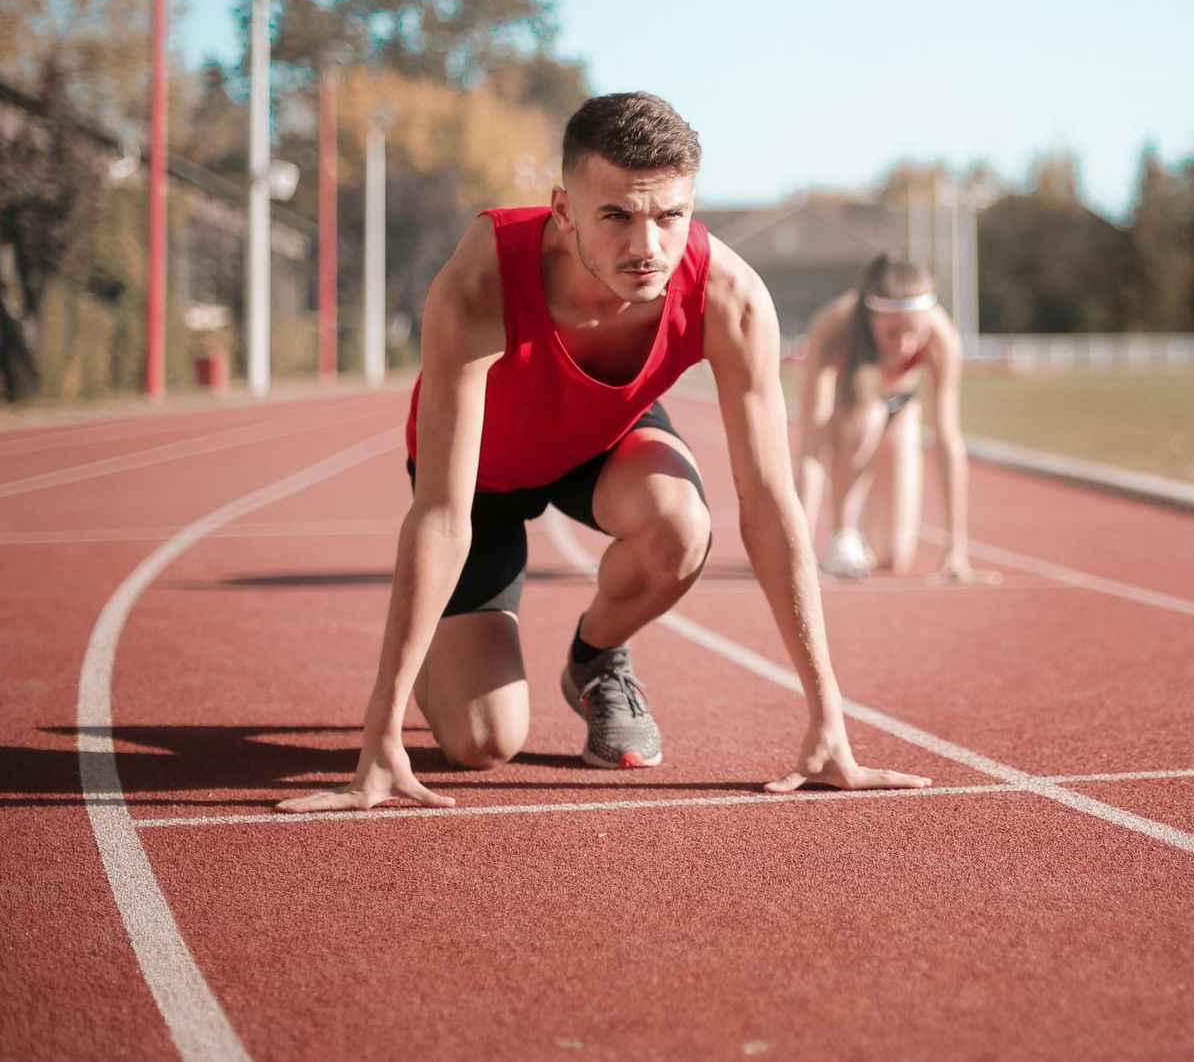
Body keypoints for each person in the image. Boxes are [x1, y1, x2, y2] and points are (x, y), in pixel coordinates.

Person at [279, 93, 929, 812]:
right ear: (564, 209)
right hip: (483, 478)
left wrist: (827, 720)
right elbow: (440, 513)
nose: (646, 246)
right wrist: (380, 733)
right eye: (616, 215)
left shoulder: (730, 297)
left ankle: (595, 659)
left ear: (692, 206)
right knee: (483, 743)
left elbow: (771, 505)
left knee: (683, 526)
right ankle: (439, 643)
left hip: (601, 442)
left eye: (669, 216)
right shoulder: (481, 280)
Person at [793, 256, 992, 582]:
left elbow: (948, 440)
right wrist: (797, 551)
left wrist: (956, 549)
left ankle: (868, 527)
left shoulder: (942, 337)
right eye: (892, 333)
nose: (905, 345)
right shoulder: (833, 327)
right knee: (867, 418)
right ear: (870, 319)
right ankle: (843, 533)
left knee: (892, 557)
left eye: (916, 331)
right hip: (851, 410)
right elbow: (811, 446)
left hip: (902, 407)